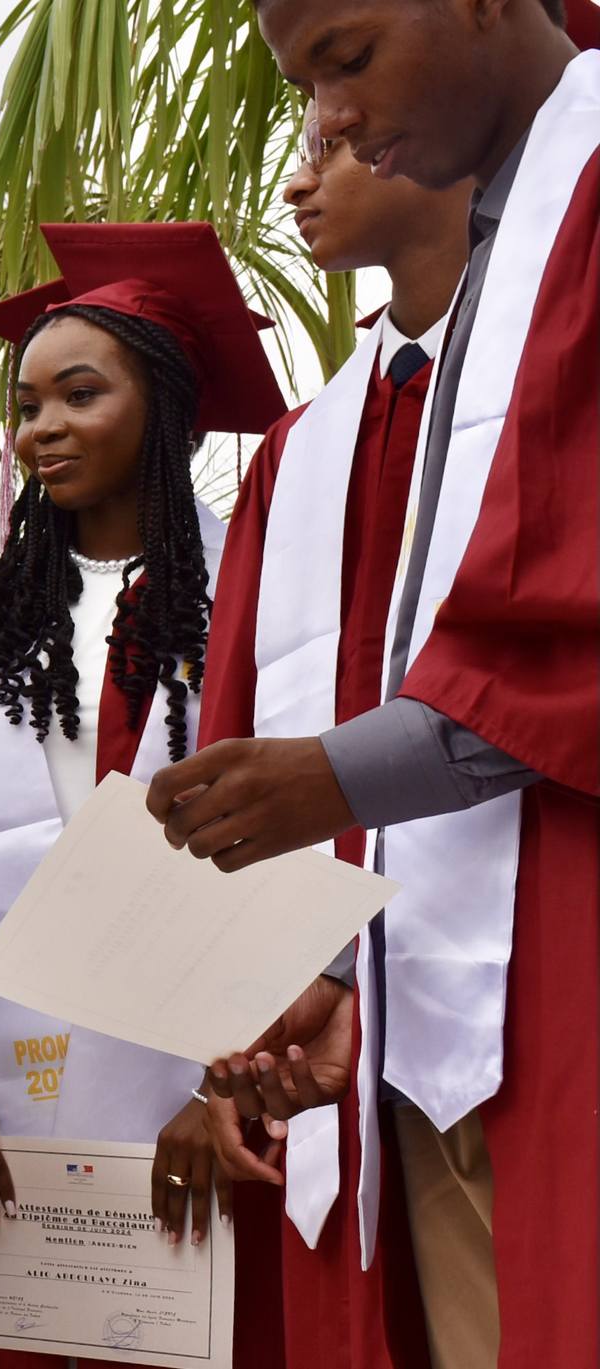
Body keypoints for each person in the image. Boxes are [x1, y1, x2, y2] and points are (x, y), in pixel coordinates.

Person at [149, 2, 599, 1364]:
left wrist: (337, 778)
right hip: (426, 1009)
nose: (322, 128)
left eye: (342, 62)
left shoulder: (565, 227)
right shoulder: (327, 434)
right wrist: (336, 959)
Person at [0, 222, 290, 1368]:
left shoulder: (256, 595)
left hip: (208, 1104)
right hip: (6, 1111)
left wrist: (229, 1083)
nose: (41, 427)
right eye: (26, 404)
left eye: (78, 394)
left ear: (164, 407)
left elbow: (302, 853)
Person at [196, 102, 472, 1369]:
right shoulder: (303, 449)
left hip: (510, 964)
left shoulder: (528, 370)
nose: (296, 185)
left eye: (329, 137)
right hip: (346, 1008)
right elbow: (238, 733)